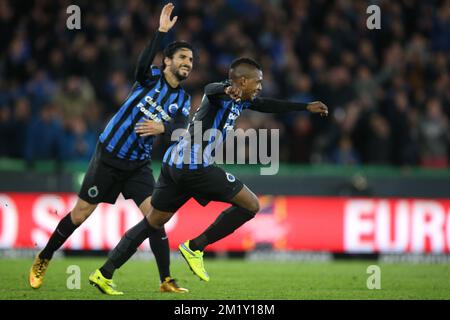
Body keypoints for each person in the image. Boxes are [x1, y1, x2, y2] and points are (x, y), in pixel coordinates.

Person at [88, 57, 328, 294]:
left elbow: (268, 104)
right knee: (251, 205)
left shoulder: (243, 101)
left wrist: (304, 107)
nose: (260, 87)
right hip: (194, 167)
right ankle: (196, 247)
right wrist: (226, 88)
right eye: (257, 82)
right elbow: (211, 90)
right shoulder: (221, 95)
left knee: (153, 221)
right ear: (242, 81)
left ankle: (104, 272)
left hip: (173, 164)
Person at [29, 3, 193, 294]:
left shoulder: (182, 99)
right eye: (182, 57)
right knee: (79, 215)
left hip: (138, 165)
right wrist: (161, 33)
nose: (188, 63)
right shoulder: (151, 77)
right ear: (167, 61)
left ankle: (165, 280)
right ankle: (44, 256)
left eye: (191, 60)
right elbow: (140, 65)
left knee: (157, 217)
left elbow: (181, 128)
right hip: (109, 156)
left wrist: (164, 128)